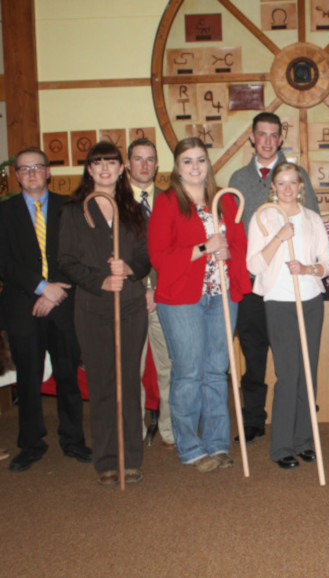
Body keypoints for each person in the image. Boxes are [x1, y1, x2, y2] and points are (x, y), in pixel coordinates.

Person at [148, 137, 251, 472]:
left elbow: (239, 244)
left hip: (221, 294)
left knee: (216, 370)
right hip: (181, 299)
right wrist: (204, 247)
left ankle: (218, 443)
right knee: (189, 371)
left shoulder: (225, 202)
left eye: (201, 160)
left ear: (209, 164)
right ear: (177, 168)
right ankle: (190, 447)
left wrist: (228, 251)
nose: (195, 167)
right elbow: (159, 256)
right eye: (187, 161)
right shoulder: (166, 203)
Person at [59, 141, 150, 486]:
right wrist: (100, 281)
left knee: (128, 380)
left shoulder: (135, 211)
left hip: (129, 304)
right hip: (93, 307)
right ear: (89, 169)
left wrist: (128, 269)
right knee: (101, 383)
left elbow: (145, 257)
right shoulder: (73, 211)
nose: (105, 169)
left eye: (111, 162)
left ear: (121, 167)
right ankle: (107, 460)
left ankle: (130, 457)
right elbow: (66, 260)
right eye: (97, 163)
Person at [229, 112, 320, 444]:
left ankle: (300, 419)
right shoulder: (238, 178)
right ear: (252, 137)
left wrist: (309, 268)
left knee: (296, 358)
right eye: (261, 134)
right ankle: (253, 419)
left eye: (273, 135)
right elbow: (237, 233)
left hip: (294, 285)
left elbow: (310, 222)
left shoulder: (297, 175)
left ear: (281, 138)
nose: (267, 140)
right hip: (256, 282)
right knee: (254, 353)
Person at [0, 147, 90, 472]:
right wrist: (41, 287)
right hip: (23, 306)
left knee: (67, 375)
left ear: (48, 171)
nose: (31, 173)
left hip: (63, 303)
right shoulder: (5, 212)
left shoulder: (70, 208)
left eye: (37, 167)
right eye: (24, 169)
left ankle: (73, 440)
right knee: (27, 378)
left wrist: (53, 293)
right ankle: (31, 443)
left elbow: (78, 255)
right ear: (17, 176)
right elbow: (4, 263)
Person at [246, 162, 329, 469]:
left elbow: (328, 264)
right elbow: (254, 266)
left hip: (310, 301)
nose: (287, 189)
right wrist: (279, 238)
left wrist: (309, 269)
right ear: (273, 187)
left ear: (301, 186)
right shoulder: (262, 217)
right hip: (279, 302)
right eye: (280, 183)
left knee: (308, 373)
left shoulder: (312, 219)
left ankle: (303, 441)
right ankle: (282, 445)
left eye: (292, 183)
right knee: (288, 374)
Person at [126, 137, 174, 449]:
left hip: (164, 295)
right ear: (128, 164)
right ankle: (134, 430)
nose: (145, 165)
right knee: (131, 369)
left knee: (171, 367)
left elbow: (176, 250)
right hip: (128, 299)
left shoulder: (171, 200)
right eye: (138, 158)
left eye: (150, 159)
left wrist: (157, 290)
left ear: (157, 165)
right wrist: (137, 290)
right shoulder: (114, 201)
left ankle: (171, 430)